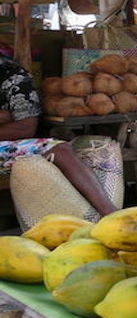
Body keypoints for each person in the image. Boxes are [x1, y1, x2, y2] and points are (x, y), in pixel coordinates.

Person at [0, 55, 115, 215]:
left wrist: (8, 117)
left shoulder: (12, 75)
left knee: (60, 149)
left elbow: (25, 128)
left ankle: (111, 214)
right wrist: (5, 116)